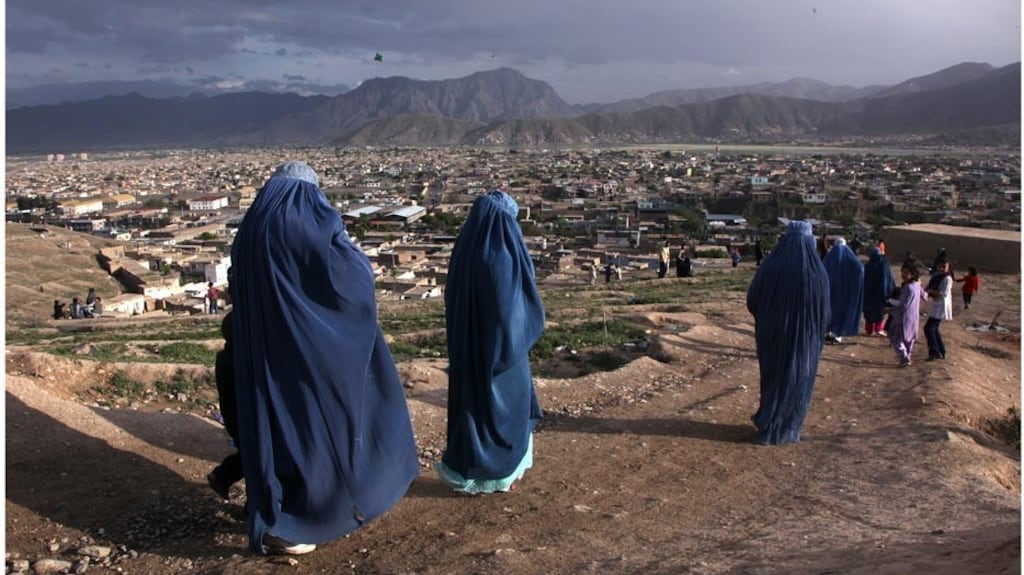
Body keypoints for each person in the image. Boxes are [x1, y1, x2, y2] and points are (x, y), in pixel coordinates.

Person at [230, 161, 418, 555]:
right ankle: (315, 518)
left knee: (280, 429)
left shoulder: (250, 229)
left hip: (263, 354)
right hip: (313, 350)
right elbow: (356, 281)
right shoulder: (308, 225)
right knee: (322, 428)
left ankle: (280, 514)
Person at [437, 190, 545, 493]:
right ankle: (502, 473)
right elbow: (510, 310)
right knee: (505, 410)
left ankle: (473, 471)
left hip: (467, 347)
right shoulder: (501, 255)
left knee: (472, 409)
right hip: (503, 352)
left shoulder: (465, 250)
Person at [746, 221, 830, 445]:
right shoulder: (817, 272)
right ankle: (788, 426)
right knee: (798, 377)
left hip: (772, 334)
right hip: (806, 340)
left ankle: (768, 419)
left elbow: (752, 299)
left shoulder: (771, 266)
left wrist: (769, 318)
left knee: (773, 377)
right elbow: (825, 311)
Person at [207, 311, 242, 500]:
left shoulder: (226, 356)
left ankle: (222, 476)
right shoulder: (237, 362)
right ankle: (222, 477)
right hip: (241, 419)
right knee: (255, 458)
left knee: (250, 456)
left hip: (234, 418)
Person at [822, 238, 864, 344]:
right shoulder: (851, 259)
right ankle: (837, 335)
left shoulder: (829, 257)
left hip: (831, 291)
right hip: (845, 292)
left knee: (830, 311)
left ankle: (830, 333)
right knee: (841, 312)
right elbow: (860, 269)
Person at [889, 261, 925, 367]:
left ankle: (904, 358)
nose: (903, 275)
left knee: (896, 340)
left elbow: (903, 306)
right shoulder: (917, 285)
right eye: (902, 272)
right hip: (914, 318)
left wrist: (890, 310)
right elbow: (925, 296)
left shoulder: (908, 287)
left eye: (906, 273)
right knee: (909, 339)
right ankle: (907, 357)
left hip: (904, 318)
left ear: (912, 274)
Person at [862, 247, 895, 336]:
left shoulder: (867, 266)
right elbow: (888, 279)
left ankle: (869, 330)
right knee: (880, 310)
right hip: (881, 292)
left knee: (868, 311)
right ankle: (878, 328)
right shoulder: (884, 264)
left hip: (868, 293)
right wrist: (890, 290)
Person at [924, 260, 953, 361]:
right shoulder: (937, 277)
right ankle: (941, 350)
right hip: (936, 305)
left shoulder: (947, 279)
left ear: (948, 267)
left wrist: (931, 291)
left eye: (943, 266)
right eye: (939, 266)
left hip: (941, 306)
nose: (941, 268)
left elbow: (942, 294)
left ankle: (935, 351)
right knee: (933, 328)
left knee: (929, 328)